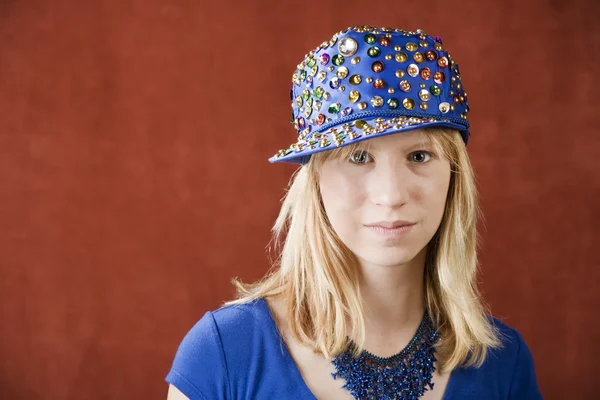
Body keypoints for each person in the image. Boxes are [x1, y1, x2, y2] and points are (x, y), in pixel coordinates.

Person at [165, 25, 542, 400]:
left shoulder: (503, 364)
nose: (391, 194)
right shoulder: (224, 355)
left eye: (419, 156)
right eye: (359, 157)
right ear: (315, 183)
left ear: (454, 178)